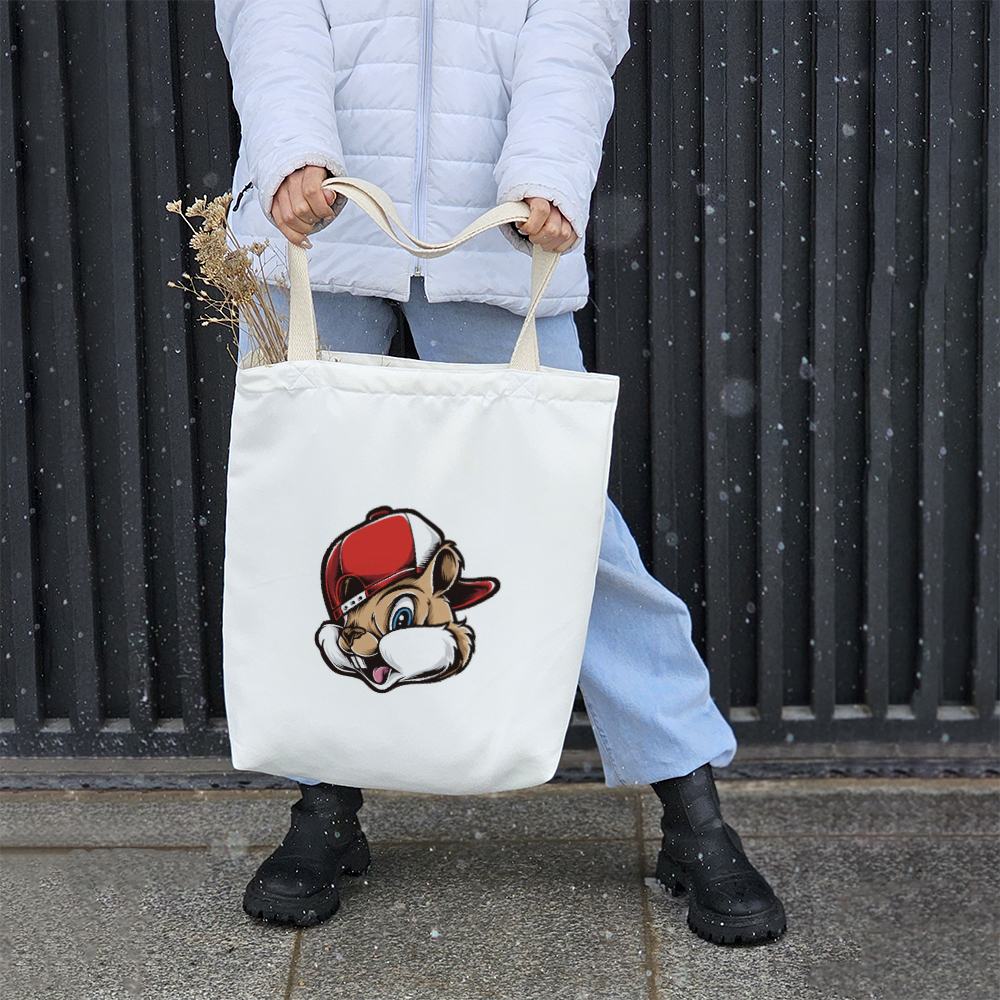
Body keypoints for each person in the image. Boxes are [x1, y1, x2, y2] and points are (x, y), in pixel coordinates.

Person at [215, 0, 786, 946]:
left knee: (570, 530)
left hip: (496, 233)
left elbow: (573, 26)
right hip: (316, 228)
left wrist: (548, 174)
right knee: (311, 530)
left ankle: (693, 812)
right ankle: (323, 803)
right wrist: (291, 152)